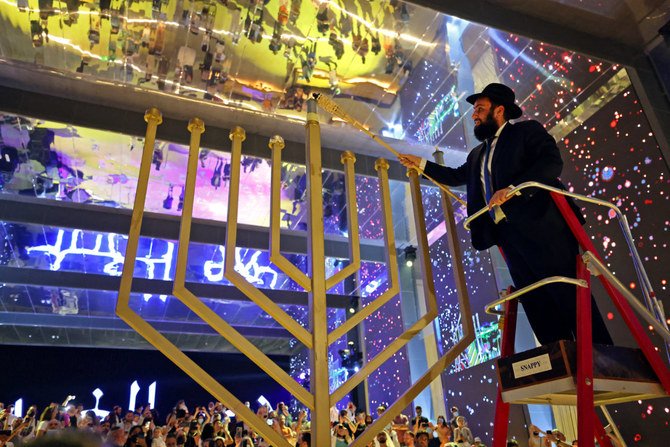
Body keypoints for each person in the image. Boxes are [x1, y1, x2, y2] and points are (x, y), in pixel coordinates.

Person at [399, 83, 612, 347]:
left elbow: (551, 162)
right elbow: (455, 176)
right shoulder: (478, 153)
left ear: (499, 111)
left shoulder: (526, 131)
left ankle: (601, 357)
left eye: (479, 109)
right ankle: (561, 360)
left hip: (543, 228)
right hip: (508, 237)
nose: (474, 115)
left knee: (566, 292)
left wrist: (513, 189)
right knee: (536, 301)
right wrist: (419, 164)